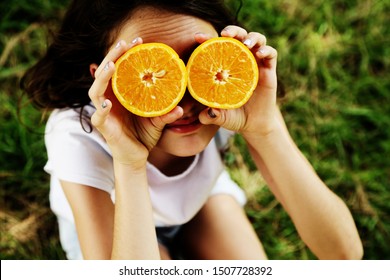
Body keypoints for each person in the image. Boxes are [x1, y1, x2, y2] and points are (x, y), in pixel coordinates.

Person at [21, 0, 363, 260]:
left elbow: (344, 254)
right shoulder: (76, 135)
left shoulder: (226, 104)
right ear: (106, 78)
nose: (182, 104)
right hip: (113, 225)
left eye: (198, 60)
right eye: (152, 71)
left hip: (199, 203)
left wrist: (266, 127)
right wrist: (129, 161)